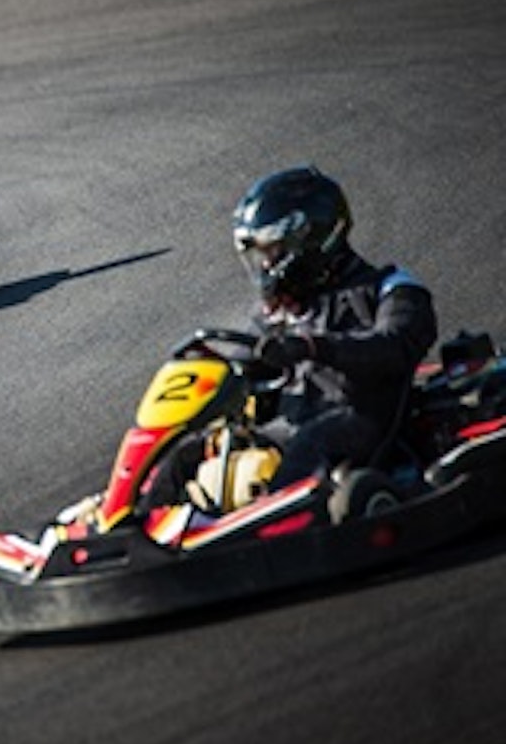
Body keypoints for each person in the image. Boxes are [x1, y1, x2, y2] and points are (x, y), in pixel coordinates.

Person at [139, 165, 438, 520]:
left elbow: (393, 347)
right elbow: (249, 357)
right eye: (260, 253)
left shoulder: (390, 287)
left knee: (309, 442)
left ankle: (263, 526)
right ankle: (138, 522)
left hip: (361, 419)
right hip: (288, 423)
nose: (266, 264)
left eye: (274, 250)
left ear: (312, 239)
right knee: (190, 450)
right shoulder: (284, 308)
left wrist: (314, 346)